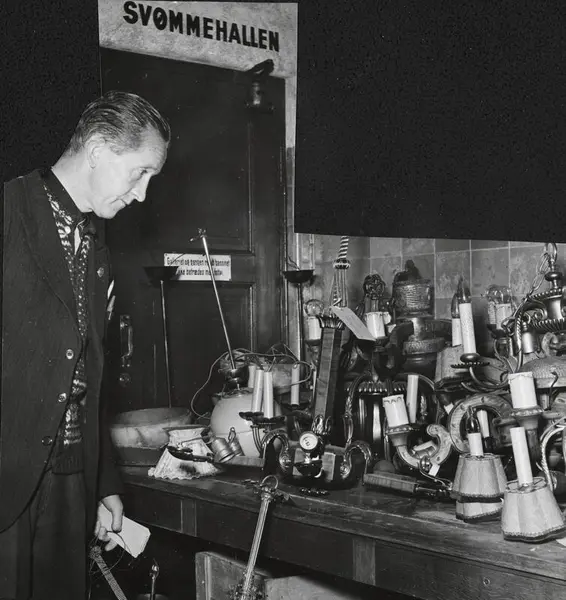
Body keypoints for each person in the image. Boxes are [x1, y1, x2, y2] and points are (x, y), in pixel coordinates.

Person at [0, 90, 170, 599]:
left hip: (71, 481)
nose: (142, 194)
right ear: (97, 150)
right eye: (139, 173)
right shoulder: (9, 211)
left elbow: (89, 374)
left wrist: (103, 483)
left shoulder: (95, 243)